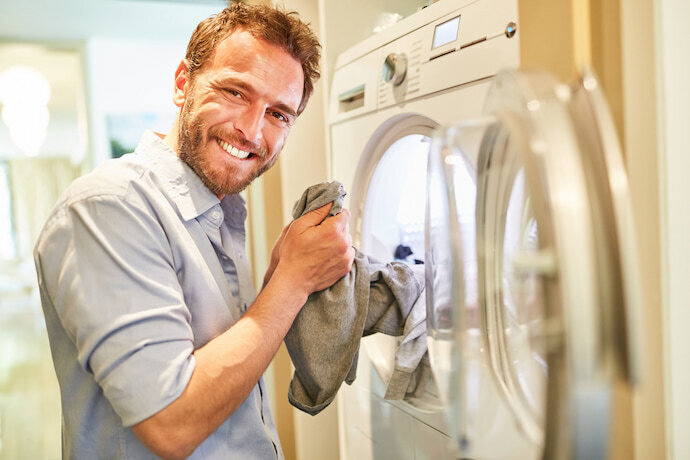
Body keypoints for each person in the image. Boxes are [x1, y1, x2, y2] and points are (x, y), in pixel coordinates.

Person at [33, 4, 355, 459]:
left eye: (278, 114)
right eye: (236, 92)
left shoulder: (220, 213)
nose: (251, 131)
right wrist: (292, 282)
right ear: (183, 83)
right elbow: (171, 423)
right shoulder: (109, 207)